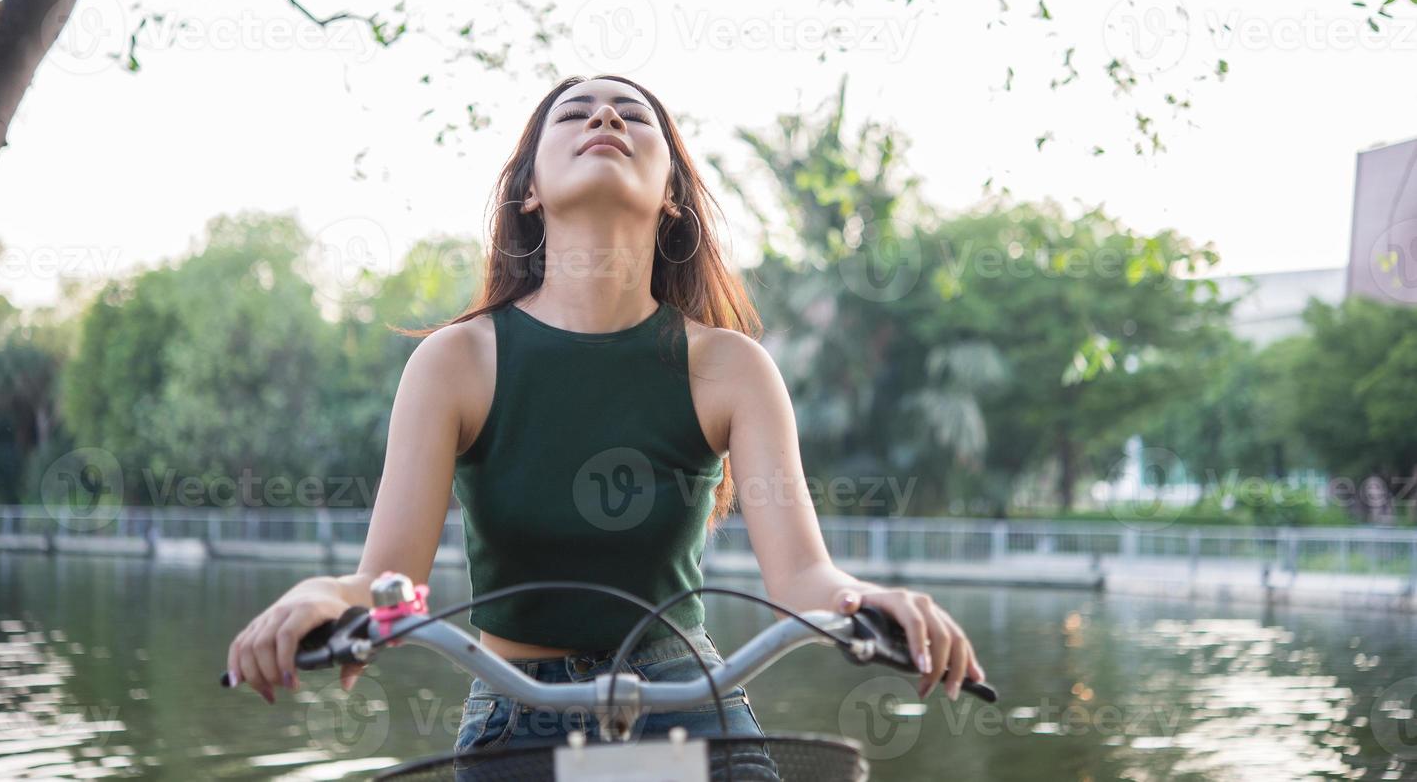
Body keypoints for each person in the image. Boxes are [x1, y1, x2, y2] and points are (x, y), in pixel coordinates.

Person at [223, 75, 987, 763]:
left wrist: (868, 601)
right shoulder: (455, 361)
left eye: (632, 114)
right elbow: (389, 584)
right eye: (576, 111)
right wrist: (323, 594)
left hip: (689, 702)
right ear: (529, 190)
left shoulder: (731, 368)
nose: (605, 118)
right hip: (512, 715)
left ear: (670, 197)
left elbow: (803, 582)